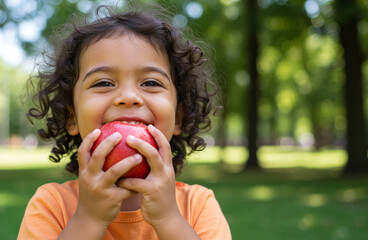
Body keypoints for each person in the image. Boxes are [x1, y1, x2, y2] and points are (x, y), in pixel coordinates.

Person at [18, 3, 231, 240]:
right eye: (104, 83)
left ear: (178, 117)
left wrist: (168, 219)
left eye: (151, 83)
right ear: (71, 117)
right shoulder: (52, 205)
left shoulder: (198, 206)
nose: (128, 97)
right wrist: (88, 219)